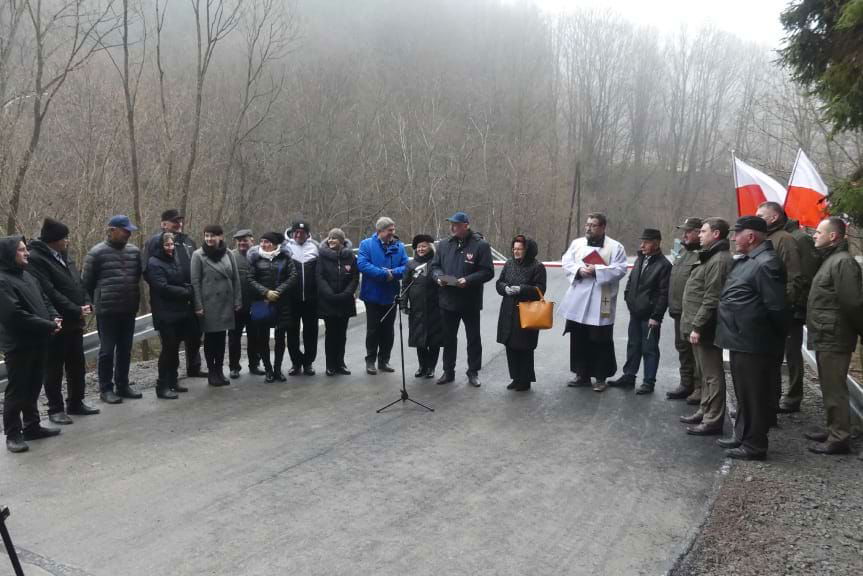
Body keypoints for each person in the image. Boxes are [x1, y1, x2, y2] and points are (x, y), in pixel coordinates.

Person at [715, 216, 787, 460]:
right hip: (741, 339)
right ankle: (742, 435)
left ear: (751, 236)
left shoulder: (767, 263)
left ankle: (755, 445)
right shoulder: (750, 260)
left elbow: (776, 307)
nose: (733, 238)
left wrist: (773, 339)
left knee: (755, 394)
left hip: (755, 342)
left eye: (737, 234)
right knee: (744, 392)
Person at [27, 218, 100, 423]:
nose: (67, 240)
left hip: (76, 320)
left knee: (77, 364)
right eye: (64, 237)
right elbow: (48, 291)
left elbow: (78, 281)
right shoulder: (36, 259)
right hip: (56, 322)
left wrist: (86, 301)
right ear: (53, 240)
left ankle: (76, 402)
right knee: (54, 367)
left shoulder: (65, 256)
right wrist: (73, 308)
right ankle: (55, 409)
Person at [804, 217, 863, 454]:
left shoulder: (843, 263)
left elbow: (853, 302)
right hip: (826, 333)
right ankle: (833, 429)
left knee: (834, 387)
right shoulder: (831, 260)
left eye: (819, 232)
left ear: (833, 236)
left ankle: (839, 437)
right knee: (829, 386)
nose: (815, 235)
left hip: (835, 335)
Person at [0, 236, 63, 453]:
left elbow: (44, 300)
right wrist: (47, 325)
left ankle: (32, 426)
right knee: (18, 390)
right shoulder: (2, 280)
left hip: (40, 340)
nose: (27, 253)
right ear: (9, 254)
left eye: (26, 249)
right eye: (21, 250)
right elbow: (15, 315)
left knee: (35, 385)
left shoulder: (27, 276)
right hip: (19, 344)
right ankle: (13, 434)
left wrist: (54, 317)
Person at [560, 213, 628, 392]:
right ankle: (581, 374)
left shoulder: (615, 247)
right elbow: (566, 261)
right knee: (578, 337)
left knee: (601, 339)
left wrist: (597, 270)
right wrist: (579, 270)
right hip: (579, 297)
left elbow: (621, 269)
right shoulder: (577, 243)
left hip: (602, 298)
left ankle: (600, 377)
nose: (588, 228)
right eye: (587, 224)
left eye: (593, 225)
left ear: (603, 227)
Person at [679, 218, 733, 436]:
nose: (699, 235)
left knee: (712, 374)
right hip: (697, 324)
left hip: (706, 327)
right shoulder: (710, 256)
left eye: (703, 231)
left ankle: (713, 419)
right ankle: (705, 409)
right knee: (703, 372)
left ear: (716, 234)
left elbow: (712, 297)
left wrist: (698, 326)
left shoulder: (719, 260)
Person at [83, 215, 143, 404]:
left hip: (128, 308)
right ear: (112, 230)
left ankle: (123, 384)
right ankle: (105, 389)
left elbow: (137, 277)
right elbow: (86, 283)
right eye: (125, 230)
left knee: (125, 349)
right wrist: (92, 303)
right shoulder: (96, 253)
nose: (128, 234)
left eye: (129, 231)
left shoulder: (134, 252)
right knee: (107, 351)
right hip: (107, 310)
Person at [431, 211, 494, 387]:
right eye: (451, 224)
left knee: (473, 338)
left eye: (456, 225)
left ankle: (473, 371)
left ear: (466, 225)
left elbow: (488, 271)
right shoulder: (443, 245)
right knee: (448, 338)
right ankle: (448, 371)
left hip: (469, 301)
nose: (452, 227)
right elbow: (434, 266)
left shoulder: (480, 245)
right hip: (447, 300)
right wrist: (438, 277)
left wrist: (468, 280)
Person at [608, 228, 671, 394]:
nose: (642, 245)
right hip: (635, 312)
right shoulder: (640, 260)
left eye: (646, 242)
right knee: (633, 345)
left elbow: (664, 294)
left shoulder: (664, 265)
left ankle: (648, 382)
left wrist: (656, 316)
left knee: (649, 349)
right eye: (642, 241)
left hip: (650, 316)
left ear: (656, 243)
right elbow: (630, 282)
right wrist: (628, 298)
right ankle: (629, 377)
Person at [756, 201, 803, 423]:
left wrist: (783, 309)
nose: (756, 218)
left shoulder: (784, 240)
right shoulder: (767, 238)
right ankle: (764, 408)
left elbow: (794, 278)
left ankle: (770, 410)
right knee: (764, 364)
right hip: (763, 312)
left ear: (773, 217)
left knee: (773, 363)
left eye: (760, 215)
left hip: (777, 312)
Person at [144, 209, 204, 378]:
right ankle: (171, 378)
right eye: (174, 221)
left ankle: (194, 368)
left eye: (180, 221)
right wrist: (176, 291)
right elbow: (149, 273)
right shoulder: (154, 243)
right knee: (172, 343)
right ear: (164, 224)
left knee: (194, 336)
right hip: (169, 302)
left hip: (190, 298)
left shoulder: (188, 241)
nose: (179, 224)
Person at [190, 225, 242, 387]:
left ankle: (219, 370)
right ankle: (212, 372)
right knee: (210, 340)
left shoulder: (228, 254)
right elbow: (195, 282)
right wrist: (198, 305)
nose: (209, 239)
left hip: (226, 303)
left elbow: (235, 279)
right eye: (206, 236)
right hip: (208, 304)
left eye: (212, 236)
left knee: (221, 339)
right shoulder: (198, 255)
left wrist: (237, 300)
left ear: (221, 237)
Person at [779, 215, 821, 413]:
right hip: (780, 304)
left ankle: (793, 396)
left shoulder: (800, 238)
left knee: (792, 353)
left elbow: (806, 274)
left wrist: (797, 303)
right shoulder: (781, 236)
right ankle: (774, 396)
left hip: (793, 306)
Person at [146, 232, 196, 399]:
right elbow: (162, 287)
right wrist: (186, 292)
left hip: (179, 311)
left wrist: (187, 288)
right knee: (168, 350)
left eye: (172, 244)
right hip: (164, 313)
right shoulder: (154, 263)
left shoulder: (174, 258)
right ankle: (162, 386)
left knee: (175, 349)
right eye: (167, 245)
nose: (170, 248)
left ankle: (173, 381)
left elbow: (180, 279)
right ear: (160, 246)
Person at [495, 235, 547, 391]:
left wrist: (522, 289)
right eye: (514, 248)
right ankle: (515, 378)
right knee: (510, 344)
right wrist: (504, 288)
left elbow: (540, 290)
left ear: (527, 250)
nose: (516, 251)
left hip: (527, 311)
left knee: (524, 346)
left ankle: (525, 380)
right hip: (508, 309)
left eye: (520, 249)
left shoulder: (537, 267)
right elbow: (499, 282)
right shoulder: (509, 263)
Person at [358, 217, 409, 375]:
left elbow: (407, 266)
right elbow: (363, 265)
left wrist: (392, 273)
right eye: (389, 230)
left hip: (391, 295)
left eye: (393, 230)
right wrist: (383, 274)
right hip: (372, 295)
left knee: (388, 330)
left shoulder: (399, 247)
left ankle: (384, 360)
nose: (392, 233)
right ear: (379, 231)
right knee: (373, 329)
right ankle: (370, 360)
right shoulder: (366, 244)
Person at [248, 231, 296, 382]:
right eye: (262, 241)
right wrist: (266, 292)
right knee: (262, 338)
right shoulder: (255, 259)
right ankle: (268, 369)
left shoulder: (285, 257)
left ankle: (277, 369)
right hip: (263, 303)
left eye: (267, 242)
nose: (264, 244)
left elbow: (293, 276)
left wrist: (278, 291)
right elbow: (249, 278)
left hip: (282, 303)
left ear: (275, 244)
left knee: (280, 338)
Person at [666, 217, 703, 404]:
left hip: (693, 312)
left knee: (696, 352)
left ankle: (699, 388)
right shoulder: (683, 252)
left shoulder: (703, 254)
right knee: (682, 349)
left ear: (699, 232)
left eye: (688, 231)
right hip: (678, 311)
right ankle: (686, 383)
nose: (684, 235)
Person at [316, 228, 359, 376]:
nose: (330, 241)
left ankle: (340, 363)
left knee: (342, 334)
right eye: (329, 238)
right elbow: (319, 277)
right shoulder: (322, 257)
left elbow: (354, 277)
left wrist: (347, 293)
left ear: (341, 240)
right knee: (331, 334)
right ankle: (330, 364)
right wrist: (330, 294)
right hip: (328, 301)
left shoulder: (351, 257)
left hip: (345, 301)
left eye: (334, 238)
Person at [403, 234, 443, 379]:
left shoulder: (436, 263)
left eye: (424, 246)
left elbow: (443, 279)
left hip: (435, 307)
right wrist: (403, 304)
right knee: (419, 339)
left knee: (434, 339)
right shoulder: (411, 265)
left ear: (430, 247)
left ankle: (431, 367)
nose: (421, 249)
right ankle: (422, 366)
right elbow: (405, 285)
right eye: (418, 247)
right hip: (417, 307)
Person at [283, 220, 319, 376]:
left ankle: (308, 362)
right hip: (292, 299)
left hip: (311, 299)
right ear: (292, 232)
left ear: (307, 233)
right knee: (292, 333)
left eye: (302, 232)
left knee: (311, 332)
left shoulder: (316, 247)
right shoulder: (285, 248)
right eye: (296, 232)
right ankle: (296, 363)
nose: (299, 235)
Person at [228, 229, 262, 379]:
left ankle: (254, 364)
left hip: (256, 304)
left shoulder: (259, 255)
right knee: (234, 338)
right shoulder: (231, 257)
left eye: (245, 240)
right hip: (237, 305)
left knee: (255, 336)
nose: (242, 243)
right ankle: (234, 367)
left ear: (252, 240)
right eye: (239, 240)